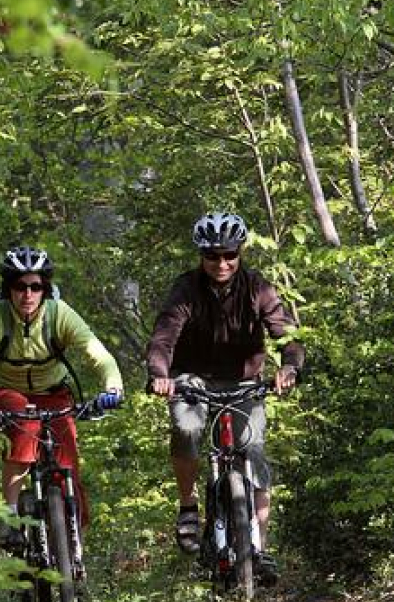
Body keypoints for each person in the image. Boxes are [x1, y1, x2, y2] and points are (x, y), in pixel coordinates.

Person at [146, 212, 304, 584]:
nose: (222, 263)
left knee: (254, 451)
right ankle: (188, 506)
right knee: (187, 426)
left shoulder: (257, 287)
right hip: (193, 379)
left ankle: (259, 548)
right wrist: (160, 376)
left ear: (240, 252)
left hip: (244, 381)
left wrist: (289, 368)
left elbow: (285, 335)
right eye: (213, 256)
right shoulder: (186, 289)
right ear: (202, 255)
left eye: (229, 255)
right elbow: (163, 337)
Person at [0, 246, 123, 544]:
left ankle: (74, 542)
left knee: (68, 459)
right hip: (6, 390)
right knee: (26, 427)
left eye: (36, 287)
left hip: (53, 391)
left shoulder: (59, 314)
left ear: (45, 289)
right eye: (20, 286)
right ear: (8, 289)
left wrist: (112, 387)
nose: (28, 294)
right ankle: (9, 516)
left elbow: (97, 353)